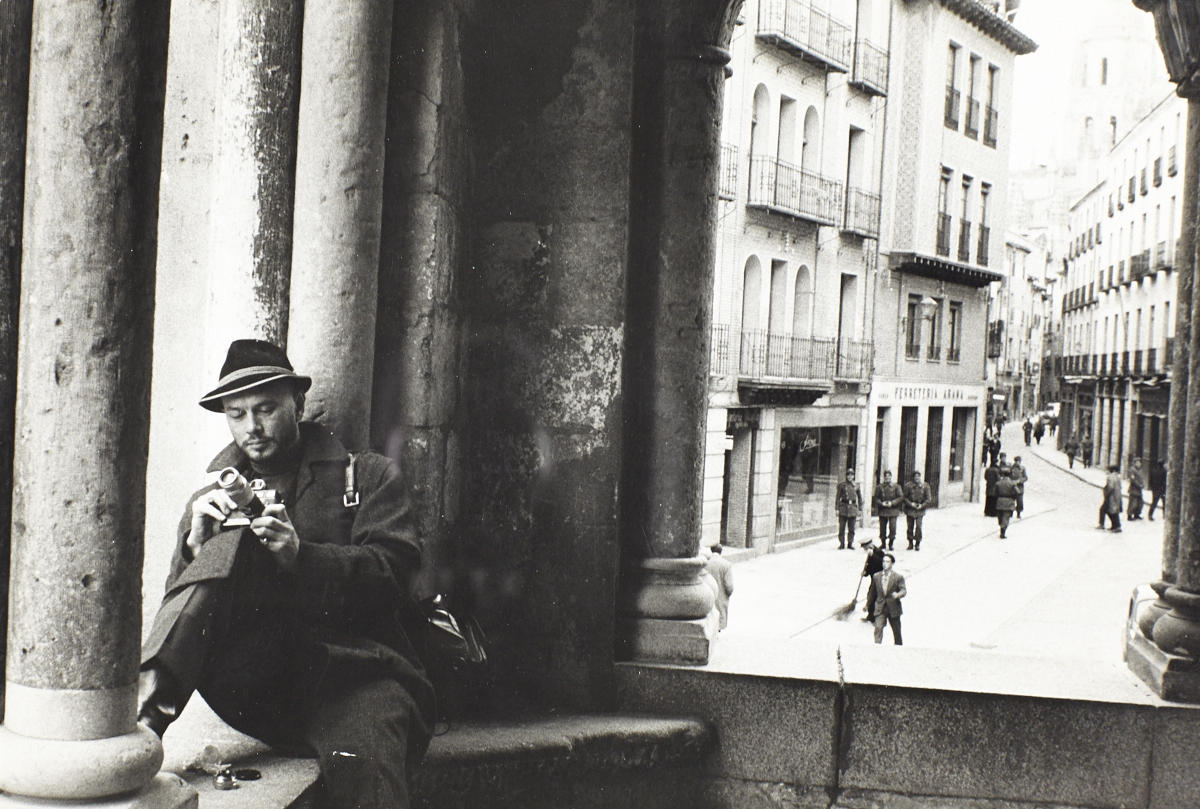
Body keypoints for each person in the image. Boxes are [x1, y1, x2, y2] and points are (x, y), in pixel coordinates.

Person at [138, 339, 434, 808]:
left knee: (367, 770)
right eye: (236, 414)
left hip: (357, 678)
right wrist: (195, 546)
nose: (251, 427)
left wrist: (301, 557)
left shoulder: (369, 475)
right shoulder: (211, 497)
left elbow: (394, 577)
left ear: (297, 403)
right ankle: (143, 721)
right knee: (228, 542)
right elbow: (180, 611)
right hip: (261, 684)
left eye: (266, 408)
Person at [868, 552, 906, 645]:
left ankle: (898, 647)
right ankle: (877, 646)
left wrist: (898, 595)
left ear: (892, 564)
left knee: (896, 632)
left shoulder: (898, 577)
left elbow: (903, 590)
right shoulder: (876, 576)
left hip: (893, 607)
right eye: (884, 561)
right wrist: (867, 605)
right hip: (880, 607)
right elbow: (872, 592)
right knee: (878, 627)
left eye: (887, 562)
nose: (885, 564)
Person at [704, 545, 734, 630]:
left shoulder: (706, 563)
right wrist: (728, 594)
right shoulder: (726, 564)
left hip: (708, 594)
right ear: (721, 552)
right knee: (719, 616)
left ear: (711, 551)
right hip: (721, 597)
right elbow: (729, 586)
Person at [873, 470, 903, 550]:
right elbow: (876, 498)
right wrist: (881, 503)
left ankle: (891, 543)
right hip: (883, 510)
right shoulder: (879, 487)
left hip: (893, 510)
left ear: (891, 477)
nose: (887, 478)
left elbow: (900, 497)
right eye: (886, 477)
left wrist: (892, 503)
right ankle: (883, 543)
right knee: (882, 528)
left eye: (889, 476)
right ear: (884, 477)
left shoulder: (897, 487)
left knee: (892, 527)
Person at [902, 470, 932, 550]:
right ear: (913, 478)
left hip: (920, 510)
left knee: (918, 526)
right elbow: (904, 497)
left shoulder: (925, 486)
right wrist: (911, 504)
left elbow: (928, 499)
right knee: (910, 526)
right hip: (910, 509)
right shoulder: (908, 486)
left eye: (918, 476)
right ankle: (910, 543)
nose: (917, 478)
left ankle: (917, 543)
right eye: (915, 477)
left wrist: (922, 505)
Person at [835, 468, 864, 550]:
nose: (850, 477)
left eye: (851, 475)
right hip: (843, 507)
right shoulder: (842, 485)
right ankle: (842, 543)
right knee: (842, 527)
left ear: (853, 476)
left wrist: (860, 509)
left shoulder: (856, 485)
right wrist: (837, 509)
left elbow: (860, 498)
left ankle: (850, 543)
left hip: (853, 508)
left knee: (851, 528)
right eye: (848, 475)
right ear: (846, 476)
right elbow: (837, 498)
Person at [859, 537, 886, 622]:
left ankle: (877, 616)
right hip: (874, 579)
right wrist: (865, 573)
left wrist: (873, 555)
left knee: (876, 597)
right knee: (871, 596)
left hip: (881, 579)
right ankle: (871, 616)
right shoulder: (870, 554)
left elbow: (882, 564)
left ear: (870, 545)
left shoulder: (879, 552)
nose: (865, 550)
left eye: (865, 548)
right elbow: (869, 566)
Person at [994, 467, 1018, 539]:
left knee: (1000, 517)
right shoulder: (1012, 483)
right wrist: (1013, 498)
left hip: (1000, 501)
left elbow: (995, 493)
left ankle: (1001, 528)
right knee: (1006, 517)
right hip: (1009, 501)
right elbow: (1017, 492)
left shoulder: (998, 483)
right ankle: (1003, 531)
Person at [1099, 464, 1123, 532]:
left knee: (1105, 510)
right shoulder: (1118, 477)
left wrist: (1106, 494)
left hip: (1111, 497)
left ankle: (1115, 526)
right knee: (1112, 511)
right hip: (1117, 496)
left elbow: (1111, 487)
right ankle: (1115, 526)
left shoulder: (1110, 477)